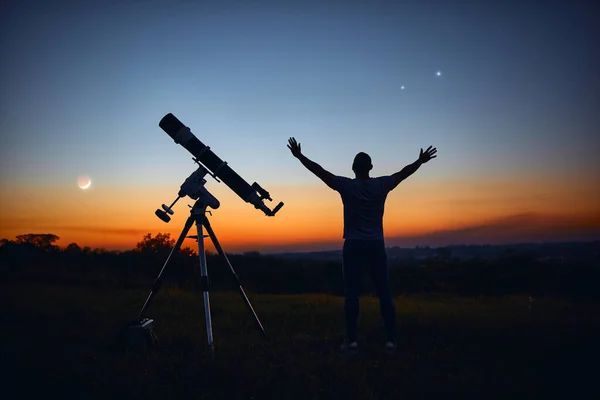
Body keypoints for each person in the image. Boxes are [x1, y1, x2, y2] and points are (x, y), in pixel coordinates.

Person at [287, 137, 437, 353]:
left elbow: (320, 172)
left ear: (353, 168)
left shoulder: (346, 186)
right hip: (376, 245)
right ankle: (391, 341)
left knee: (352, 293)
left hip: (353, 246)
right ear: (371, 167)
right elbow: (402, 174)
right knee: (384, 291)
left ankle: (352, 341)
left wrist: (299, 156)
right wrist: (420, 161)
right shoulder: (381, 185)